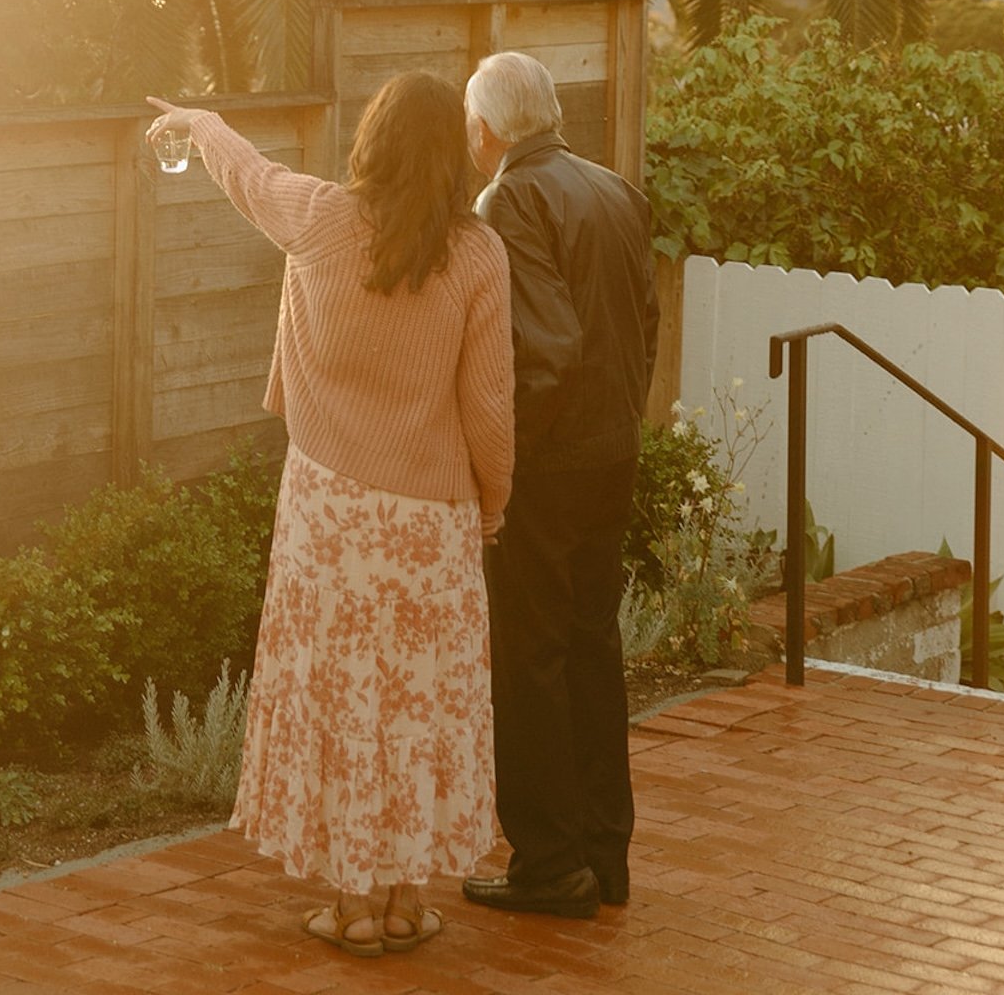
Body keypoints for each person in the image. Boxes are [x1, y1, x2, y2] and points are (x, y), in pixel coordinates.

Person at [146, 73, 515, 958]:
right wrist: (492, 507)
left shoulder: (317, 218)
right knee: (415, 706)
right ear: (457, 153)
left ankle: (351, 906)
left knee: (348, 704)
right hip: (432, 525)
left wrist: (202, 121)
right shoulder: (479, 256)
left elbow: (245, 174)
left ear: (371, 140)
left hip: (330, 519)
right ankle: (400, 901)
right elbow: (490, 407)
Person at [459, 51, 658, 920]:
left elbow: (543, 353)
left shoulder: (507, 199)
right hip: (613, 453)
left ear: (488, 130)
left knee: (531, 663)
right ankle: (604, 857)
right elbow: (645, 324)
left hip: (550, 464)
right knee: (591, 650)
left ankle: (548, 864)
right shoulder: (614, 188)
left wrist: (503, 472)